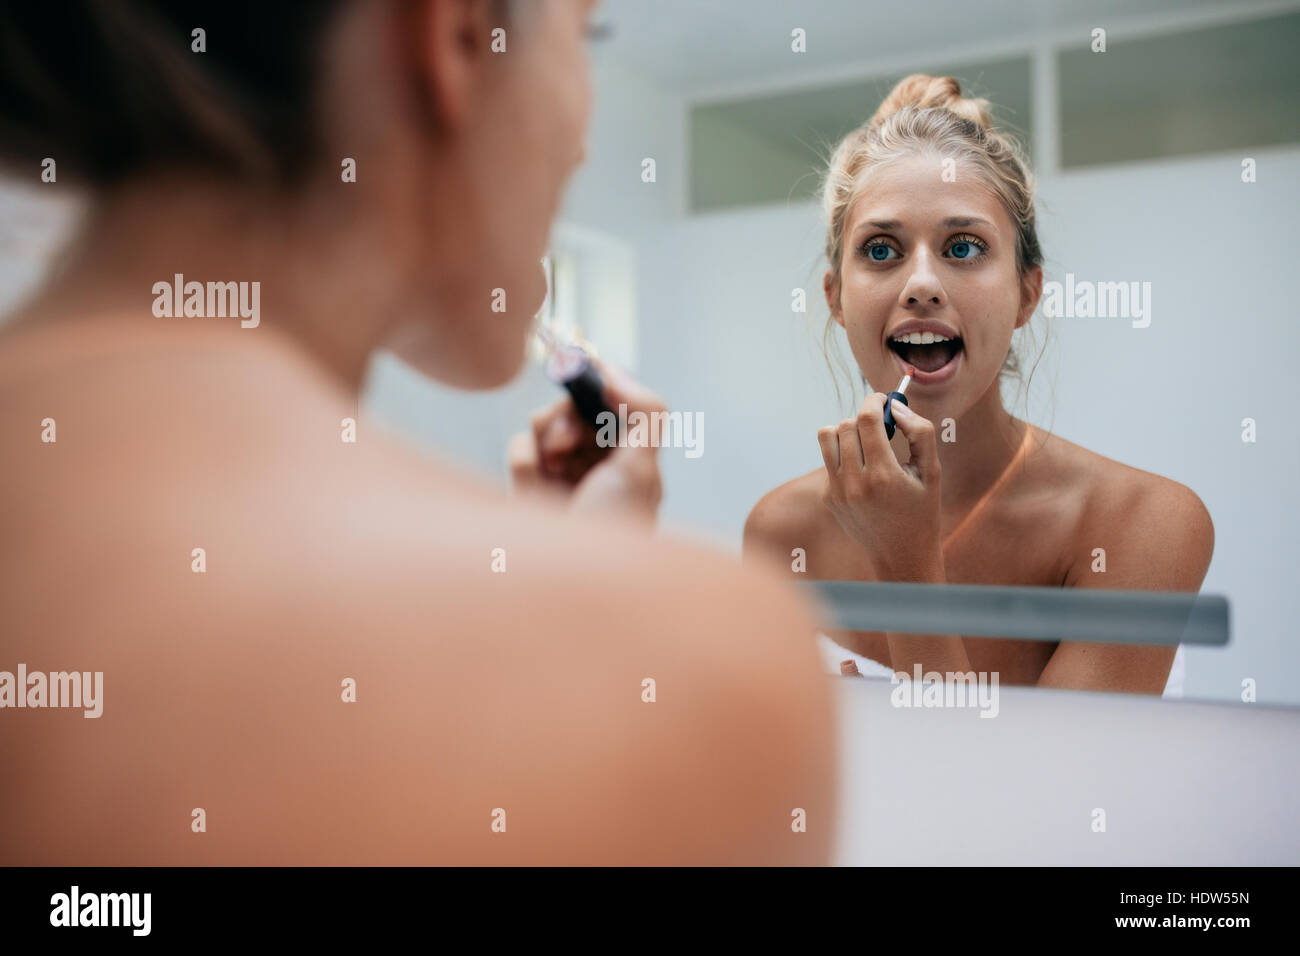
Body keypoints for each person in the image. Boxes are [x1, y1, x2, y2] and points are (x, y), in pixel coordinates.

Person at [0, 0, 835, 865]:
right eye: (584, 37)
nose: (583, 145)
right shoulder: (708, 668)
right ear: (459, 33)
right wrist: (593, 624)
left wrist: (565, 577)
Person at [744, 75, 1214, 695]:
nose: (921, 285)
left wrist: (907, 569)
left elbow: (1054, 793)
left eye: (963, 247)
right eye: (881, 251)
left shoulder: (1143, 523)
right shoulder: (782, 530)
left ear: (1026, 293)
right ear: (835, 297)